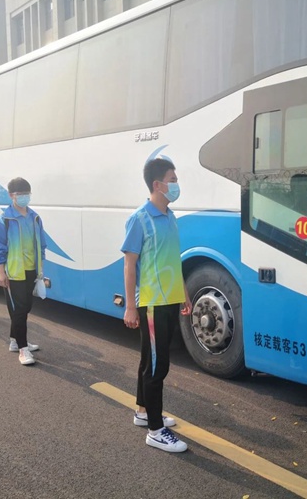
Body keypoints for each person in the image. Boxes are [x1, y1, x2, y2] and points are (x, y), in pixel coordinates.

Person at [122, 157, 192, 453]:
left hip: (170, 300)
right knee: (157, 365)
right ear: (157, 184)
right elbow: (129, 265)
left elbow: (173, 259)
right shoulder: (140, 219)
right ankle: (155, 430)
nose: (176, 185)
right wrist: (130, 306)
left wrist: (184, 293)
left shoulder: (170, 217)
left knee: (148, 360)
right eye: (172, 180)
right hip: (151, 303)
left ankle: (143, 411)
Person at [0, 178, 46, 366]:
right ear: (11, 195)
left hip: (31, 270)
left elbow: (41, 245)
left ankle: (15, 340)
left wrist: (40, 269)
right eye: (20, 194)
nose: (24, 197)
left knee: (25, 307)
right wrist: (0, 272)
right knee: (19, 310)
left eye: (26, 194)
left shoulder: (35, 218)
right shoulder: (4, 220)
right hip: (14, 272)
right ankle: (23, 349)